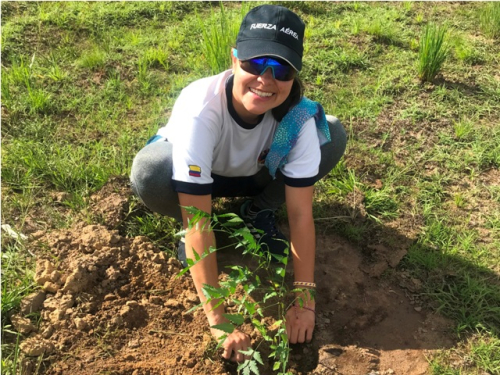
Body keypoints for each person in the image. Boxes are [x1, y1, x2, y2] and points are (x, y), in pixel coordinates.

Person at [130, 4, 347, 363]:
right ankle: (197, 237)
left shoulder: (296, 116)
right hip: (197, 177)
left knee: (332, 133)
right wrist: (218, 319)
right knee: (151, 171)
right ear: (234, 60)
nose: (266, 80)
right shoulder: (201, 107)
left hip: (254, 174)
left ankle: (256, 211)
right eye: (254, 64)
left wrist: (304, 299)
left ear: (294, 75)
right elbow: (197, 222)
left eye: (281, 69)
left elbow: (300, 215)